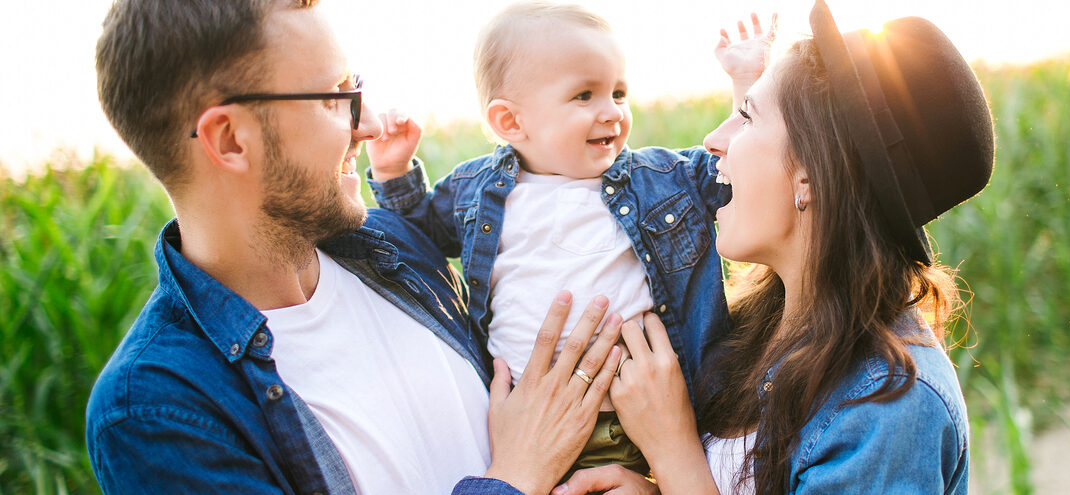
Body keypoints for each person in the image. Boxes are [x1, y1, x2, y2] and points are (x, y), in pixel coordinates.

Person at [86, 0, 623, 493]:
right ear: (229, 139)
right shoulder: (157, 409)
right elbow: (528, 453)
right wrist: (518, 475)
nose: (365, 123)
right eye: (333, 97)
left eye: (355, 88)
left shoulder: (395, 250)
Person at [557, 1, 995, 493]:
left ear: (809, 176)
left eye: (747, 117)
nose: (713, 139)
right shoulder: (758, 327)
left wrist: (672, 447)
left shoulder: (888, 406)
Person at [364, 2, 774, 481]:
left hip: (647, 415)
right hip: (526, 424)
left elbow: (730, 175)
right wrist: (393, 172)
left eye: (619, 92)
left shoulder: (658, 179)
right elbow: (416, 238)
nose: (613, 112)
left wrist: (746, 83)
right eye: (585, 95)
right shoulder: (479, 191)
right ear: (511, 123)